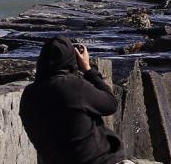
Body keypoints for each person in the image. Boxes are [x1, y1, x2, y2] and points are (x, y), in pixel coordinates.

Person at [19, 36, 127, 164]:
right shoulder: (74, 86)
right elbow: (111, 104)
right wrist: (88, 69)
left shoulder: (28, 94)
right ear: (71, 59)